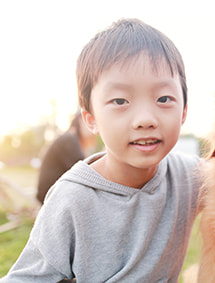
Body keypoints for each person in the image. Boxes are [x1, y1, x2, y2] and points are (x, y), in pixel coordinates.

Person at [1, 18, 201, 282]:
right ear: (90, 118)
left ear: (184, 111)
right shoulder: (72, 199)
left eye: (163, 99)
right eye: (120, 101)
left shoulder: (189, 176)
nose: (145, 119)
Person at [36, 113, 98, 204]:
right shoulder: (70, 139)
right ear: (81, 121)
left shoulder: (70, 138)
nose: (94, 128)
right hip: (50, 194)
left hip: (53, 191)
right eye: (90, 122)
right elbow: (85, 171)